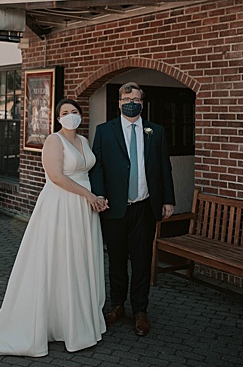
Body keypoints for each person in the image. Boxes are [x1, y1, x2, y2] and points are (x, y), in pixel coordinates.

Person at [0, 99, 107, 356]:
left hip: (83, 207)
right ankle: (51, 322)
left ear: (81, 116)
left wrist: (96, 196)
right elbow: (57, 177)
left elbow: (89, 172)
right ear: (58, 118)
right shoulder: (53, 141)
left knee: (79, 260)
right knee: (58, 259)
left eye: (74, 112)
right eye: (65, 113)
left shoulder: (84, 141)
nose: (71, 116)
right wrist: (87, 195)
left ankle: (77, 321)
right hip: (61, 205)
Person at [89, 83, 175, 337]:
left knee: (141, 260)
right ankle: (117, 306)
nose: (132, 102)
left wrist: (168, 199)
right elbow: (98, 167)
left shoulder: (155, 131)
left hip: (144, 208)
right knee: (116, 259)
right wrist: (99, 194)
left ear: (142, 103)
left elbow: (164, 168)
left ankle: (140, 310)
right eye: (127, 98)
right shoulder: (104, 131)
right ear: (119, 102)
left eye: (136, 99)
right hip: (114, 208)